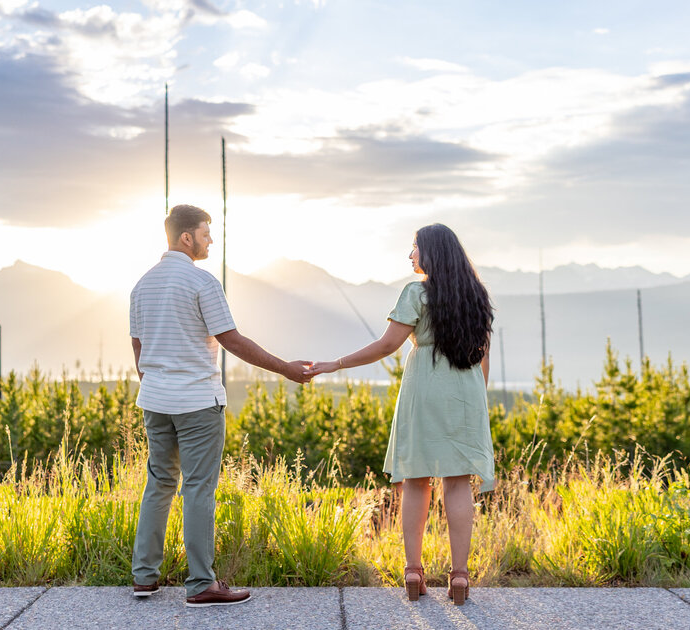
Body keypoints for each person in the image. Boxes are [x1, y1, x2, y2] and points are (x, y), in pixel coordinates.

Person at [129, 204, 312, 607]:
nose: (211, 240)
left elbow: (139, 348)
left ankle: (144, 576)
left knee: (159, 482)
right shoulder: (202, 282)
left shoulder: (141, 286)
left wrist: (159, 386)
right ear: (186, 238)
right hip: (197, 402)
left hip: (155, 402)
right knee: (198, 488)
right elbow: (232, 340)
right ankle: (201, 585)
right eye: (206, 233)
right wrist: (286, 369)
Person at [307, 223, 494, 606]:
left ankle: (413, 570)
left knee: (416, 479)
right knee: (458, 482)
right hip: (467, 393)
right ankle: (459, 576)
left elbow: (387, 345)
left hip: (425, 388)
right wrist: (478, 399)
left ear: (431, 252)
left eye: (414, 248)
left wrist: (334, 364)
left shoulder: (416, 293)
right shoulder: (475, 294)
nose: (410, 255)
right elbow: (484, 352)